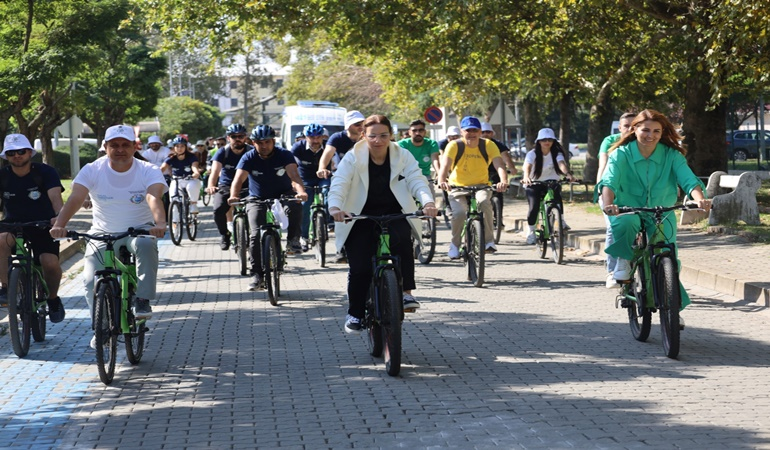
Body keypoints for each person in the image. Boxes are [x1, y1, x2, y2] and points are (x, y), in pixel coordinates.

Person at [50, 125, 167, 343]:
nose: (120, 149)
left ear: (134, 146)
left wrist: (159, 223)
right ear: (105, 147)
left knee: (145, 245)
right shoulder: (92, 169)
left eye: (125, 145)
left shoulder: (148, 169)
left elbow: (153, 197)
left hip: (139, 229)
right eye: (114, 145)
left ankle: (142, 298)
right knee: (89, 280)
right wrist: (60, 224)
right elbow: (76, 198)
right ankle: (101, 324)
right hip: (102, 232)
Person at [327, 114, 437, 334]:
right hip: (359, 215)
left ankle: (406, 293)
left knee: (404, 245)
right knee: (360, 268)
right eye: (373, 136)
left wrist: (428, 202)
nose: (378, 140)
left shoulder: (402, 155)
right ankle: (355, 313)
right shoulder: (353, 157)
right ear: (363, 135)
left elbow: (416, 180)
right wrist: (335, 208)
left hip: (394, 212)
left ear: (391, 135)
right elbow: (340, 183)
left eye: (384, 135)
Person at [599, 110, 711, 317]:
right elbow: (609, 181)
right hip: (628, 207)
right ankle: (623, 260)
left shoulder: (671, 155)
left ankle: (673, 313)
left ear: (662, 132)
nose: (650, 135)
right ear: (635, 129)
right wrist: (608, 204)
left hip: (662, 210)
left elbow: (688, 179)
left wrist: (698, 198)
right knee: (625, 224)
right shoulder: (621, 154)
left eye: (656, 131)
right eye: (646, 130)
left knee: (667, 257)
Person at [228, 125, 307, 291]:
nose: (263, 146)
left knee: (295, 206)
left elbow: (294, 176)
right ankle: (257, 275)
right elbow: (238, 180)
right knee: (256, 234)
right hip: (257, 198)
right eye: (259, 142)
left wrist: (300, 192)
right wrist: (234, 196)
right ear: (253, 143)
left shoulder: (284, 154)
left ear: (273, 141)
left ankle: (293, 240)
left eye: (267, 142)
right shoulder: (248, 157)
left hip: (283, 194)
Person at [0, 134, 65, 322]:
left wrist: (59, 221)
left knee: (49, 263)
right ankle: (5, 289)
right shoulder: (3, 175)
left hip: (43, 225)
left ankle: (52, 299)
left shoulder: (46, 172)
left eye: (21, 151)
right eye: (11, 153)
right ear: (6, 156)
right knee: (1, 242)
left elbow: (56, 199)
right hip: (13, 225)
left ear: (29, 152)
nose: (17, 156)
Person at [437, 116, 509, 257]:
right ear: (462, 132)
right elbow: (445, 166)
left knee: (484, 203)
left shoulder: (488, 145)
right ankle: (455, 245)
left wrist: (504, 180)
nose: (471, 133)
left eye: (475, 130)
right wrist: (441, 180)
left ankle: (489, 242)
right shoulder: (454, 145)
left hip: (481, 185)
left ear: (480, 131)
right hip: (457, 186)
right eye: (468, 130)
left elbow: (499, 164)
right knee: (459, 213)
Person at [317, 110, 366, 263]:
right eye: (357, 124)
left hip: (363, 178)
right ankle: (341, 249)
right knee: (342, 211)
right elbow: (328, 153)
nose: (361, 127)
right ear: (348, 125)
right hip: (342, 177)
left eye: (362, 124)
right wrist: (322, 168)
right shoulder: (337, 138)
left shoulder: (367, 137)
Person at [597, 112, 635, 288]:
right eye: (626, 126)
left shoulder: (645, 142)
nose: (630, 129)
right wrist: (602, 188)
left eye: (634, 125)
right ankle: (612, 271)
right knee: (614, 226)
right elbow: (603, 165)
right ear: (619, 128)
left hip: (635, 194)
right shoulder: (610, 142)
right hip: (612, 192)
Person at [521, 128, 575, 244]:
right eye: (544, 139)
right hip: (534, 182)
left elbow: (561, 164)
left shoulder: (557, 153)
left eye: (550, 139)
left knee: (556, 198)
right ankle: (531, 231)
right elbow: (528, 166)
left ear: (553, 141)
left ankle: (561, 220)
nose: (547, 142)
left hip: (551, 181)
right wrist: (526, 177)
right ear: (539, 141)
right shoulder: (533, 153)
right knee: (533, 207)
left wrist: (568, 174)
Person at [207, 123, 252, 250]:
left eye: (241, 136)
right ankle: (225, 235)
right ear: (228, 138)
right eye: (234, 136)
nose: (238, 139)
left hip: (248, 186)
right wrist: (211, 185)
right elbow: (215, 172)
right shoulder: (223, 152)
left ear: (245, 137)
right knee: (218, 210)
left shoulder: (252, 151)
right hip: (226, 186)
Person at [291, 123, 331, 252]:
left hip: (323, 177)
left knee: (328, 193)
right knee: (304, 206)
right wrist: (294, 182)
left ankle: (328, 222)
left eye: (318, 137)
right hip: (305, 179)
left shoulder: (328, 146)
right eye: (311, 137)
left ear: (322, 137)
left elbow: (336, 161)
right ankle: (304, 237)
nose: (315, 140)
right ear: (306, 137)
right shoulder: (298, 147)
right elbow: (291, 165)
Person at [160, 136, 202, 216]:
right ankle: (175, 224)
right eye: (177, 146)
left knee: (192, 187)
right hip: (176, 180)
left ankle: (193, 204)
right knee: (173, 199)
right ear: (174, 147)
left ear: (186, 147)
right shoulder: (171, 158)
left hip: (190, 179)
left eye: (182, 146)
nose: (180, 148)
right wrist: (154, 174)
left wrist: (195, 173)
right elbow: (162, 167)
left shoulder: (192, 157)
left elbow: (194, 167)